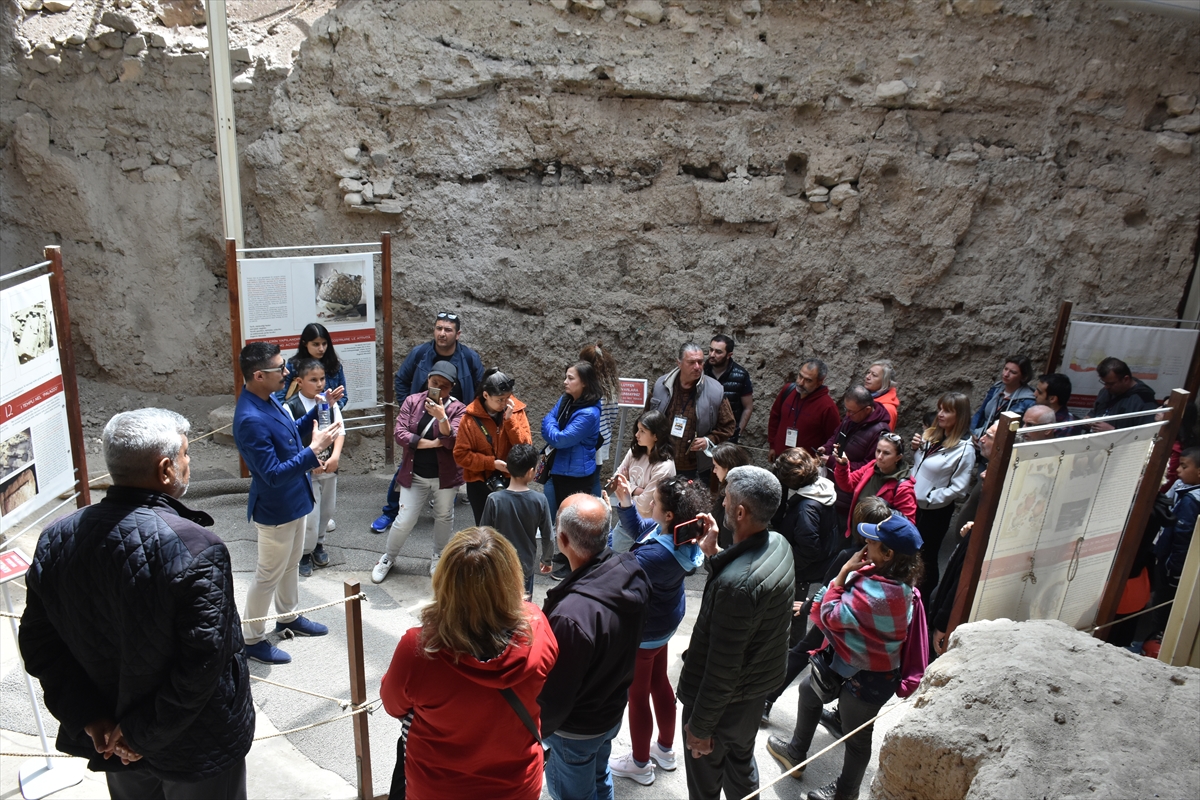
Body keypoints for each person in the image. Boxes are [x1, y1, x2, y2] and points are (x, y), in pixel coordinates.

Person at [18, 409, 254, 799]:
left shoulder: (56, 538)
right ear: (165, 469)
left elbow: (40, 647)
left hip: (111, 735)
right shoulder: (197, 548)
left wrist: (90, 718)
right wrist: (138, 733)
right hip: (194, 747)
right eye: (185, 454)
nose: (188, 462)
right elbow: (203, 663)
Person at [380, 527, 558, 800]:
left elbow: (394, 706)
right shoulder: (537, 628)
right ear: (511, 578)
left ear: (445, 581)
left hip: (438, 788)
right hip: (516, 785)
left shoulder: (419, 650)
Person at [766, 514, 925, 800]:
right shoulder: (901, 584)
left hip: (869, 679)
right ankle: (795, 753)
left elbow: (827, 614)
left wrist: (841, 575)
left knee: (857, 738)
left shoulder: (877, 593)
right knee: (808, 691)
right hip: (852, 665)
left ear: (887, 554)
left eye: (873, 542)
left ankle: (845, 793)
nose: (865, 542)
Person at [677, 466, 795, 800]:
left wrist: (700, 729)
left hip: (721, 707)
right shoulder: (779, 544)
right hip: (752, 697)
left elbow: (722, 668)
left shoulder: (736, 587)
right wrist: (714, 554)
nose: (721, 503)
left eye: (726, 499)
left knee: (704, 784)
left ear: (740, 512)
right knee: (741, 764)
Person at [539, 494, 651, 800]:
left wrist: (537, 730)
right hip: (610, 710)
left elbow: (557, 693)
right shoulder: (630, 572)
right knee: (599, 778)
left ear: (562, 539)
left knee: (572, 792)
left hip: (575, 729)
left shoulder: (572, 616)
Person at [234, 342, 340, 664]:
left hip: (295, 500)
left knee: (291, 563)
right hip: (276, 508)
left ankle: (288, 615)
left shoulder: (267, 398)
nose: (286, 372)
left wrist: (316, 411)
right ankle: (251, 637)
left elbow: (288, 434)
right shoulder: (249, 418)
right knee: (267, 574)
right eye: (279, 368)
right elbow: (271, 475)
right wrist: (313, 451)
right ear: (257, 375)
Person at [607, 475, 707, 786]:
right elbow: (643, 531)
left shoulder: (656, 556)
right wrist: (625, 502)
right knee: (659, 681)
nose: (649, 501)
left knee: (636, 696)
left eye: (656, 501)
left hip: (646, 632)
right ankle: (664, 749)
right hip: (665, 623)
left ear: (668, 515)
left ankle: (639, 763)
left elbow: (620, 569)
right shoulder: (678, 536)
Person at [762, 497, 892, 725]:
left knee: (803, 651)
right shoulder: (890, 564)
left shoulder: (848, 558)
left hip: (837, 617)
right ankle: (840, 717)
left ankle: (767, 700)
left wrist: (809, 605)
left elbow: (828, 587)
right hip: (863, 628)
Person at [373, 312, 484, 532]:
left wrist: (467, 419)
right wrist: (410, 407)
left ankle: (443, 507)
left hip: (453, 422)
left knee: (449, 466)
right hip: (421, 421)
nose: (442, 333)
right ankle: (390, 512)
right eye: (439, 328)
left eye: (448, 329)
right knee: (406, 468)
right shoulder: (420, 354)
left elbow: (480, 389)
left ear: (458, 334)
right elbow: (402, 380)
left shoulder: (469, 358)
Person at [372, 361, 467, 583]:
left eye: (444, 386)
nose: (438, 389)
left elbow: (453, 440)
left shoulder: (458, 408)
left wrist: (442, 417)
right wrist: (433, 444)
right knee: (404, 519)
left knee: (444, 516)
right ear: (428, 380)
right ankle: (388, 557)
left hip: (445, 477)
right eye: (435, 383)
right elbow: (400, 435)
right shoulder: (412, 402)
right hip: (415, 474)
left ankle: (438, 557)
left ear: (451, 387)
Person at [928, 422, 997, 657]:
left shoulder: (988, 533)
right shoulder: (981, 524)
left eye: (989, 435)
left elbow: (961, 583)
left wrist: (943, 622)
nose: (982, 438)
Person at [281, 358, 344, 577]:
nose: (319, 384)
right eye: (313, 380)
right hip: (307, 472)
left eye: (322, 379)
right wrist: (309, 462)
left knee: (327, 509)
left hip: (329, 468)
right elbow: (290, 440)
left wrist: (335, 456)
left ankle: (319, 544)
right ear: (299, 381)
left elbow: (340, 430)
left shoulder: (329, 403)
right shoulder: (290, 407)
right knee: (310, 514)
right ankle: (304, 553)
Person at [910, 392, 976, 599]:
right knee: (910, 552)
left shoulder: (965, 449)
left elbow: (959, 488)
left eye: (947, 411)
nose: (940, 414)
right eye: (940, 408)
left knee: (926, 557)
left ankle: (924, 601)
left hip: (934, 512)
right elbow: (922, 467)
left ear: (960, 416)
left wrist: (928, 499)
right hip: (913, 504)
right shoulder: (931, 435)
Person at [772, 448, 842, 639]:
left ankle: (792, 646)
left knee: (796, 610)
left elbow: (808, 549)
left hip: (803, 570)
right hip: (820, 560)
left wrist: (788, 566)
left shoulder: (806, 510)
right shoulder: (821, 488)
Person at [646, 342, 736, 482]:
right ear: (679, 363)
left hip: (696, 468)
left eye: (700, 362)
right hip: (662, 462)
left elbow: (729, 426)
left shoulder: (715, 390)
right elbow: (646, 419)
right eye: (691, 362)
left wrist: (708, 440)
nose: (697, 367)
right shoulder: (661, 385)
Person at [453, 368, 532, 524]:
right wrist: (491, 463)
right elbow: (460, 455)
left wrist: (510, 421)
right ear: (485, 395)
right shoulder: (469, 418)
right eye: (499, 399)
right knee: (485, 530)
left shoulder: (516, 411)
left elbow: (526, 447)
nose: (504, 403)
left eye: (507, 398)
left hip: (512, 479)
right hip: (479, 482)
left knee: (511, 529)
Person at [481, 443, 555, 598]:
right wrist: (546, 559)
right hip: (524, 566)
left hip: (498, 566)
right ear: (530, 472)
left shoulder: (494, 499)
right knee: (523, 608)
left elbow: (482, 534)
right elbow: (548, 535)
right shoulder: (540, 500)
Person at [821, 386, 893, 525]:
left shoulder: (880, 432)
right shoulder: (852, 418)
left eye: (851, 411)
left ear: (867, 409)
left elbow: (870, 467)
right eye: (846, 410)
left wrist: (832, 462)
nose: (847, 415)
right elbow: (836, 435)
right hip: (833, 487)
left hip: (848, 497)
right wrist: (826, 447)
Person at [611, 409, 677, 550]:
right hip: (627, 516)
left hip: (649, 525)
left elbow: (645, 505)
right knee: (614, 554)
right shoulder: (635, 451)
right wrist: (638, 490)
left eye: (642, 431)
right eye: (637, 429)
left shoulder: (664, 466)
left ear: (656, 436)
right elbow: (615, 482)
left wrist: (628, 488)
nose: (636, 435)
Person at [832, 431, 917, 539]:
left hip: (876, 542)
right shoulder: (873, 466)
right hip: (856, 533)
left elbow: (908, 525)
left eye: (886, 453)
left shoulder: (903, 487)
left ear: (898, 457)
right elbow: (848, 484)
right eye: (878, 451)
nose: (880, 457)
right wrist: (843, 465)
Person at [542, 361, 605, 508]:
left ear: (584, 382)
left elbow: (560, 440)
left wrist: (552, 430)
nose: (565, 382)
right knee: (554, 521)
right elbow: (548, 418)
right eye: (566, 377)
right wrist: (554, 429)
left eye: (570, 378)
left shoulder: (589, 413)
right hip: (559, 469)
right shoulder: (566, 399)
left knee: (570, 524)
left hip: (575, 478)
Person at [767, 358, 841, 461]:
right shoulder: (788, 390)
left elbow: (833, 438)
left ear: (819, 382)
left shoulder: (827, 407)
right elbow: (775, 417)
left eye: (808, 380)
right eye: (800, 376)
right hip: (780, 457)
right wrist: (772, 446)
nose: (801, 383)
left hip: (804, 467)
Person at [276, 321, 348, 409]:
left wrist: (331, 408)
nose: (321, 349)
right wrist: (291, 415)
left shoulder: (335, 365)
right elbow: (279, 397)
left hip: (328, 415)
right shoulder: (293, 366)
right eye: (316, 344)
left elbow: (343, 397)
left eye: (324, 344)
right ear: (305, 343)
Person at [580, 342, 622, 495]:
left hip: (589, 440)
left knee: (588, 481)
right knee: (595, 478)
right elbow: (612, 416)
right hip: (603, 439)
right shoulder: (610, 388)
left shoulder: (588, 389)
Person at [969, 355, 1036, 439]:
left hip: (1003, 441)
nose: (1006, 374)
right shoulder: (996, 388)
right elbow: (981, 412)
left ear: (1023, 377)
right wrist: (972, 433)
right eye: (1005, 369)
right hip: (981, 435)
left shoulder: (1028, 400)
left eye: (1013, 372)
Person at [705, 335, 755, 442]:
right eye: (711, 350)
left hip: (727, 438)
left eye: (718, 352)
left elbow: (748, 407)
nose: (712, 355)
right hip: (704, 437)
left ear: (729, 355)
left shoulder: (741, 375)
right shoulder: (701, 372)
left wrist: (737, 433)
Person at [1088, 356, 1158, 431]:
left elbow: (1146, 435)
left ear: (1126, 379)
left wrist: (1113, 430)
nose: (1106, 387)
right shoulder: (1106, 391)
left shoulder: (1145, 401)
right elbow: (1095, 412)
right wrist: (1089, 420)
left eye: (1111, 384)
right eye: (1104, 382)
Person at [711, 442, 751, 549]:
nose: (714, 471)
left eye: (716, 467)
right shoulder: (737, 487)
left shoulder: (733, 497)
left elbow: (728, 539)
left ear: (727, 467)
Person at [863, 359, 900, 431]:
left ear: (885, 382)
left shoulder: (888, 409)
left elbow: (884, 439)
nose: (867, 377)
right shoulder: (866, 398)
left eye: (874, 375)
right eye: (868, 372)